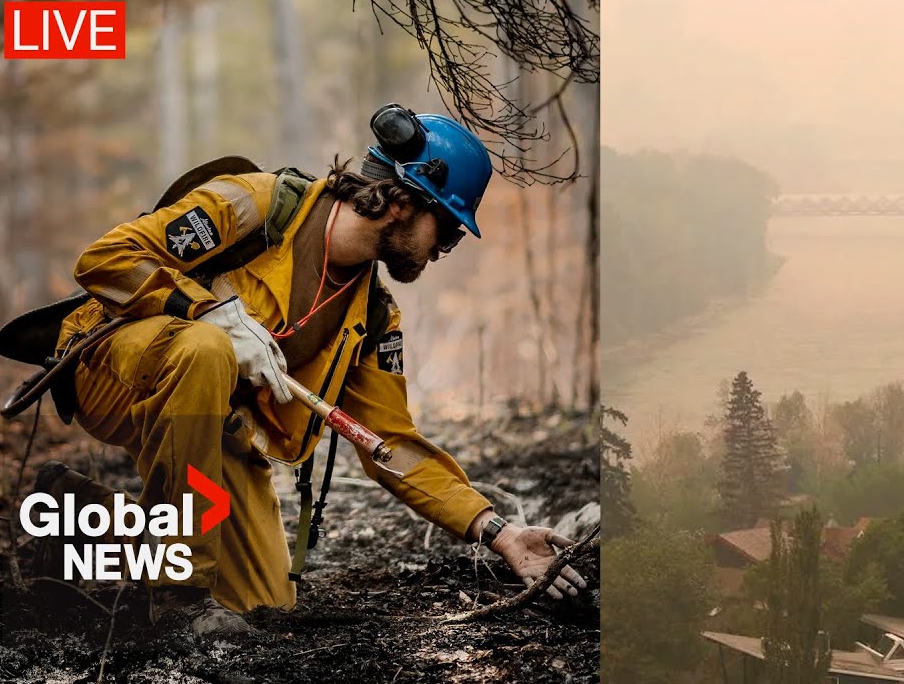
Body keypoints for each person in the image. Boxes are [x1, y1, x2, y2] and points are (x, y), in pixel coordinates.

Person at [37, 104, 586, 636]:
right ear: (404, 201)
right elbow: (105, 258)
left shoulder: (373, 316)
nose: (446, 247)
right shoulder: (254, 205)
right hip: (112, 369)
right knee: (204, 349)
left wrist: (498, 531)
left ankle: (82, 514)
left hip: (213, 422)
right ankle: (179, 601)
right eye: (448, 229)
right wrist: (211, 312)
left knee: (264, 598)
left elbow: (392, 444)